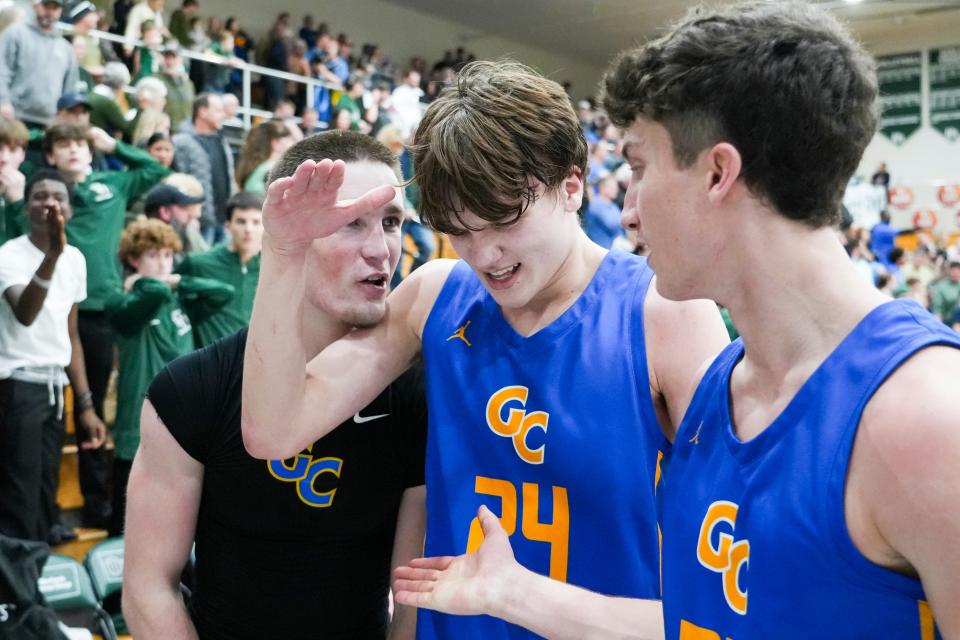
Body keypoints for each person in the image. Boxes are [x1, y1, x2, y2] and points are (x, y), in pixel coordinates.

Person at [396, 2, 960, 638]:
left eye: (638, 168)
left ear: (718, 173)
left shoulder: (926, 413)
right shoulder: (723, 392)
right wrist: (514, 595)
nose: (627, 210)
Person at [241, 61, 728, 638]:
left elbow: (726, 613)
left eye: (502, 220)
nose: (484, 255)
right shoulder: (435, 295)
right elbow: (273, 432)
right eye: (460, 230)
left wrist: (521, 598)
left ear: (571, 185)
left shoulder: (665, 314)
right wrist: (283, 252)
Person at [123, 131, 428, 639]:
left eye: (392, 222)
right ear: (291, 228)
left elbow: (413, 600)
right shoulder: (192, 388)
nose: (381, 250)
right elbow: (148, 586)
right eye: (351, 223)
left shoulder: (416, 395)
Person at [44, 121, 169, 527]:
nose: (74, 150)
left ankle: (99, 504)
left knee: (95, 406)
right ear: (51, 155)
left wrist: (113, 142)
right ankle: (50, 508)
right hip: (47, 307)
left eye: (79, 143)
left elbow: (155, 170)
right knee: (56, 408)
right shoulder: (43, 190)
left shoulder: (111, 184)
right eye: (63, 145)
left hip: (102, 310)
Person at [104, 217, 233, 535]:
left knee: (176, 521)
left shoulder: (178, 298)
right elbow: (152, 295)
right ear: (134, 260)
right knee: (126, 524)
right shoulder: (122, 302)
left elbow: (224, 292)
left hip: (181, 419)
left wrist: (177, 282)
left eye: (167, 255)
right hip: (137, 422)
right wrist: (146, 283)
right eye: (153, 255)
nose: (163, 263)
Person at [0, 170, 105, 544]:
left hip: (57, 389)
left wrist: (87, 404)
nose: (49, 203)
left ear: (70, 210)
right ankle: (16, 598)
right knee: (19, 495)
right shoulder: (9, 255)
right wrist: (52, 256)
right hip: (18, 387)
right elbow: (25, 313)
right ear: (27, 206)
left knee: (46, 494)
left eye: (58, 197)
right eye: (40, 196)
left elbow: (71, 334)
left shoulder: (75, 259)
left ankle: (35, 585)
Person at [175, 191, 263, 347]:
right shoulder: (199, 263)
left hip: (256, 360)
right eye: (241, 221)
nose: (248, 229)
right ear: (228, 226)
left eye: (256, 222)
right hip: (212, 360)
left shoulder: (273, 268)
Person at [0, 0, 80, 128]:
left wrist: (65, 114)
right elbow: (2, 70)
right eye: (47, 6)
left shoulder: (66, 48)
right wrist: (3, 101)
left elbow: (70, 86)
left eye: (55, 8)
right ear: (36, 6)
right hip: (13, 117)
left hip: (49, 122)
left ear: (60, 11)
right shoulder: (15, 33)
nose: (50, 12)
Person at [172, 93, 234, 245]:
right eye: (218, 110)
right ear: (202, 111)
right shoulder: (181, 142)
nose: (223, 115)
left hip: (223, 219)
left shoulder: (221, 140)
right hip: (198, 222)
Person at [234, 119, 294, 193]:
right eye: (288, 140)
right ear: (275, 142)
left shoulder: (258, 167)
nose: (292, 143)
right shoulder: (271, 169)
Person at [0, 116, 27, 245]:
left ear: (22, 155)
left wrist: (18, 203)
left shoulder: (36, 192)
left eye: (12, 150)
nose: (4, 158)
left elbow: (36, 246)